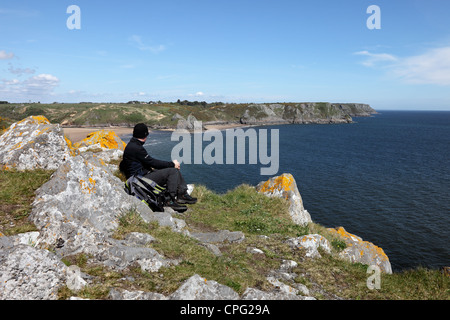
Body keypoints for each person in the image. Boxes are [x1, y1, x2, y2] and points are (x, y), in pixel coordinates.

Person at [120, 123, 196, 211]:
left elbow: (148, 162)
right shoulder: (136, 148)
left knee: (172, 170)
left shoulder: (133, 145)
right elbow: (152, 162)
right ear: (145, 135)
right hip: (140, 180)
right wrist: (172, 164)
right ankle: (170, 200)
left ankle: (182, 194)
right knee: (172, 171)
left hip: (141, 177)